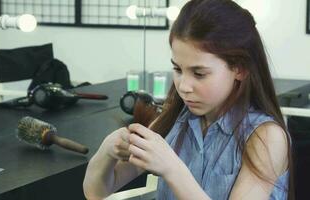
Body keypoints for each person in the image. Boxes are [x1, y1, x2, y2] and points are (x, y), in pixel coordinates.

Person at [83, 0, 293, 199]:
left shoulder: (267, 138)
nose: (183, 86)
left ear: (239, 69)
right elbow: (96, 193)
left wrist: (172, 169)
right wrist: (107, 150)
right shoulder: (175, 121)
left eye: (199, 74)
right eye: (177, 69)